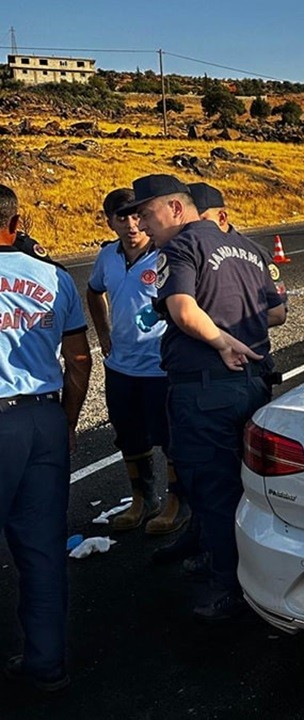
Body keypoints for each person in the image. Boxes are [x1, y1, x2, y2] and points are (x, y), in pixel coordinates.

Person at [123, 174, 287, 621]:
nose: (140, 222)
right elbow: (276, 311)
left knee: (212, 489)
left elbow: (181, 309)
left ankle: (228, 586)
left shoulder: (181, 247)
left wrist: (220, 340)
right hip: (251, 383)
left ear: (177, 209)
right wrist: (239, 332)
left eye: (147, 211)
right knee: (244, 486)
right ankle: (230, 562)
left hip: (206, 387)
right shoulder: (248, 248)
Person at [0, 184, 92, 692]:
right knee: (41, 551)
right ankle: (46, 661)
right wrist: (67, 421)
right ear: (17, 223)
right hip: (41, 419)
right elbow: (79, 360)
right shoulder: (54, 277)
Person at [86, 189, 186, 534]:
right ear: (109, 222)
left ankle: (177, 503)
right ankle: (142, 500)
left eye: (135, 216)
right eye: (121, 218)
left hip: (159, 367)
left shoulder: (165, 256)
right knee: (129, 437)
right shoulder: (107, 257)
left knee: (170, 438)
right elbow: (93, 290)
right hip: (121, 367)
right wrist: (103, 333)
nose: (130, 225)